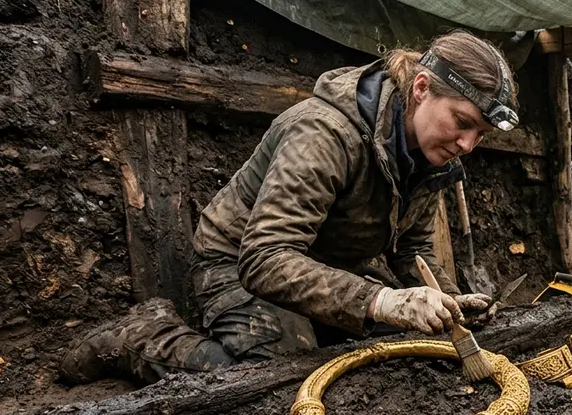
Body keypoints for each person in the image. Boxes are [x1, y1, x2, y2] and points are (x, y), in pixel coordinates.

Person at [59, 31, 518, 385]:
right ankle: (144, 338)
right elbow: (265, 259)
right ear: (421, 87)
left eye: (480, 134)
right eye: (462, 124)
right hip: (240, 264)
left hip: (320, 268)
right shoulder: (324, 134)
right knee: (284, 381)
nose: (468, 145)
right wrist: (382, 299)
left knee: (400, 351)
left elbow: (412, 246)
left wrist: (444, 301)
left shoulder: (428, 151)